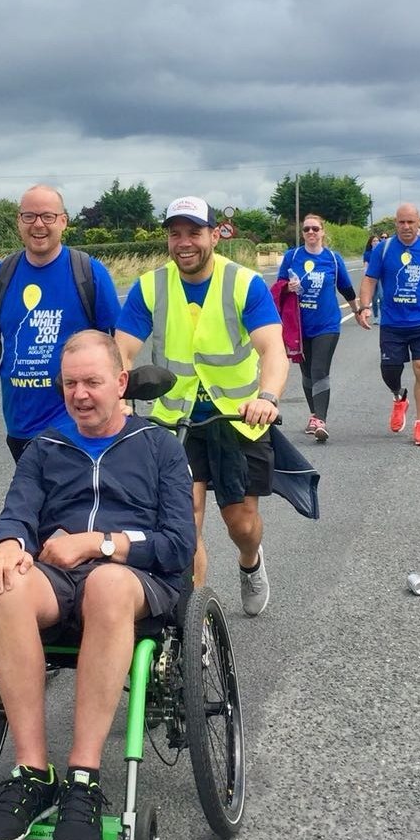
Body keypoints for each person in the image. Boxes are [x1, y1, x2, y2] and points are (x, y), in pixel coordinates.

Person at [0, 331, 196, 840]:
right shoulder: (45, 448)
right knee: (1, 586)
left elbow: (178, 544)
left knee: (107, 582)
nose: (80, 394)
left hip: (133, 581)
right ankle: (32, 773)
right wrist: (7, 546)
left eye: (93, 382)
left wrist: (101, 544)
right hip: (58, 582)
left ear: (120, 383)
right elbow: (18, 512)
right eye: (71, 384)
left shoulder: (159, 446)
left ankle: (83, 778)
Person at [116, 196, 286, 615]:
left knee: (240, 522)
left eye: (194, 232)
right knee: (183, 521)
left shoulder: (244, 283)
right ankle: (190, 621)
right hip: (175, 420)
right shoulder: (150, 287)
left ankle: (251, 562)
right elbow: (121, 351)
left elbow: (273, 350)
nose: (184, 242)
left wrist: (267, 397)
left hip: (237, 418)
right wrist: (118, 397)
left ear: (215, 235)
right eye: (175, 234)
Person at [0, 184, 121, 461]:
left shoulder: (88, 272)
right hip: (20, 425)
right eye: (29, 216)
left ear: (64, 221)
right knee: (35, 504)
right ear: (19, 222)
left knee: (70, 503)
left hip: (78, 424)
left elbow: (116, 344)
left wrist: (120, 401)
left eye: (48, 216)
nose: (38, 225)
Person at [356, 203, 420, 447]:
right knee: (389, 371)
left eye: (411, 222)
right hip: (393, 323)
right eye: (401, 222)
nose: (406, 227)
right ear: (395, 224)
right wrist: (365, 307)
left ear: (419, 223)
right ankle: (399, 396)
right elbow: (370, 280)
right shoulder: (384, 249)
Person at [277, 214, 361, 442]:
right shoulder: (291, 256)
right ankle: (314, 415)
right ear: (302, 233)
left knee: (319, 370)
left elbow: (346, 288)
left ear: (323, 232)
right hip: (299, 326)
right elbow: (278, 287)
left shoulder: (333, 259)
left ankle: (320, 421)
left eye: (315, 229)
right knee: (306, 374)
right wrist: (288, 287)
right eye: (307, 229)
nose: (311, 233)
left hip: (327, 324)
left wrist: (358, 311)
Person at [362, 233, 385, 323]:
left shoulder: (382, 251)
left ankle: (383, 316)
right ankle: (376, 316)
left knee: (382, 296)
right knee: (374, 298)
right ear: (370, 243)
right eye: (374, 241)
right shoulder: (367, 254)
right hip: (371, 277)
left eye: (377, 240)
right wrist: (366, 276)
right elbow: (366, 266)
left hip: (381, 277)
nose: (376, 242)